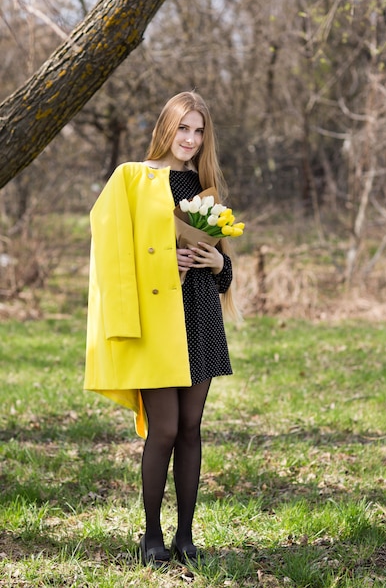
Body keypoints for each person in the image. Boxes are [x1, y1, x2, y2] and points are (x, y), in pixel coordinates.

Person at [84, 91, 238, 569]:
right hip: (155, 319)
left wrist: (217, 262)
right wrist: (162, 263)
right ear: (166, 128)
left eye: (198, 131)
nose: (190, 139)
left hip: (199, 317)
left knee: (192, 428)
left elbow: (223, 274)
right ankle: (151, 533)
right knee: (165, 429)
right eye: (183, 128)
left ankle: (186, 536)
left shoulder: (204, 188)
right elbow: (112, 249)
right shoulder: (133, 178)